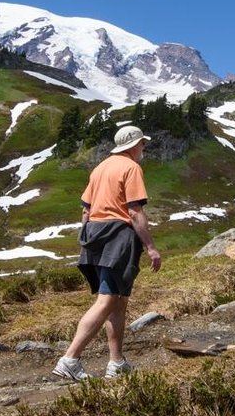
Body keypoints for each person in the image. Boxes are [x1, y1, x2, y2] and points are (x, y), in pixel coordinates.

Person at [52, 125, 163, 381]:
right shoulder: (131, 168)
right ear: (134, 145)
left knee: (118, 300)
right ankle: (70, 358)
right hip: (118, 235)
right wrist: (151, 247)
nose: (143, 149)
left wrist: (87, 237)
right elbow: (134, 211)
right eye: (142, 144)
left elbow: (85, 210)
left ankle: (117, 362)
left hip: (95, 234)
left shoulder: (100, 168)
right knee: (107, 299)